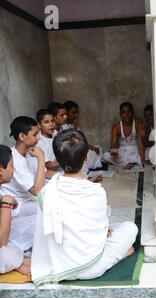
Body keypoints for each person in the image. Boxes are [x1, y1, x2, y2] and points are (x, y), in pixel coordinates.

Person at [31, 129, 138, 286]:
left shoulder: (48, 191)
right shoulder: (96, 191)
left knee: (113, 228)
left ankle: (113, 255)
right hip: (92, 268)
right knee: (130, 228)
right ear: (87, 158)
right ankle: (117, 256)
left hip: (59, 264)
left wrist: (41, 159)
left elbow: (38, 190)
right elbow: (100, 229)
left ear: (58, 161)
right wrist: (103, 228)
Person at [0, 117, 47, 253]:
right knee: (49, 210)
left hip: (27, 201)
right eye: (35, 134)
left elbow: (42, 176)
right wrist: (41, 157)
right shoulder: (14, 158)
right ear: (22, 136)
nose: (38, 138)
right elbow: (37, 190)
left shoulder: (27, 153)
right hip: (19, 206)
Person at [0, 145, 31, 275]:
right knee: (4, 254)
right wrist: (7, 202)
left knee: (33, 222)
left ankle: (19, 260)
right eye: (12, 165)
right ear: (1, 170)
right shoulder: (5, 198)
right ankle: (20, 261)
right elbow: (2, 242)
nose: (14, 170)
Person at [63, 100, 103, 171]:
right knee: (89, 155)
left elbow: (81, 139)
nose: (76, 115)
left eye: (77, 113)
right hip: (72, 152)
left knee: (98, 149)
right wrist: (74, 129)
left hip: (80, 147)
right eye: (73, 113)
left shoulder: (74, 124)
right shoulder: (62, 126)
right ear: (66, 113)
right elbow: (71, 143)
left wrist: (92, 147)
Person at [103, 102, 145, 169]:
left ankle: (131, 163)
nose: (127, 115)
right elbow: (113, 144)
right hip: (124, 154)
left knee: (150, 153)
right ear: (120, 114)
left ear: (133, 113)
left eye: (129, 112)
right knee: (105, 156)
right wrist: (113, 151)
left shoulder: (138, 123)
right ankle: (132, 163)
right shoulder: (116, 127)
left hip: (137, 152)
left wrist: (142, 160)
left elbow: (140, 143)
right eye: (124, 112)